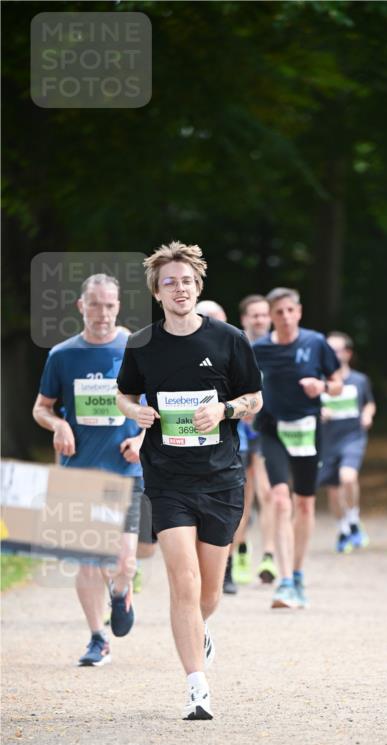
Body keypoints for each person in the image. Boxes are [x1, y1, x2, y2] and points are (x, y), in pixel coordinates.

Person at [116, 241, 263, 720]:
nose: (179, 289)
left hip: (220, 478)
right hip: (167, 478)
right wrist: (135, 411)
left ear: (198, 287)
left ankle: (199, 630)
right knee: (183, 581)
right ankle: (196, 687)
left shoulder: (229, 339)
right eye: (169, 283)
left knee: (208, 595)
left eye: (186, 281)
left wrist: (224, 409)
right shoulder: (142, 343)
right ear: (157, 293)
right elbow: (124, 395)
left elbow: (253, 399)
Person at [32, 274, 145, 666]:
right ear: (81, 306)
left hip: (124, 470)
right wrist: (59, 424)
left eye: (110, 305)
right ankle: (97, 637)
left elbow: (156, 404)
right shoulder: (62, 355)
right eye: (95, 304)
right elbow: (41, 407)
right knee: (86, 559)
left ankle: (121, 591)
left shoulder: (134, 347)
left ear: (119, 307)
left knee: (123, 560)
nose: (103, 313)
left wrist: (142, 441)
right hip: (78, 470)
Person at [252, 287, 342, 609]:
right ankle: (285, 580)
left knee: (304, 504)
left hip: (307, 429)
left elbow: (338, 382)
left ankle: (299, 574)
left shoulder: (315, 343)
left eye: (291, 310)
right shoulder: (259, 349)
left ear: (299, 312)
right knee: (280, 499)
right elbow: (245, 386)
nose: (286, 317)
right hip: (273, 429)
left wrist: (323, 387)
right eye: (279, 312)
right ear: (272, 317)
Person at [318, 332, 376, 552]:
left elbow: (370, 403)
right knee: (333, 491)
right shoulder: (320, 380)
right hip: (327, 441)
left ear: (348, 353)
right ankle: (344, 529)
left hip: (352, 437)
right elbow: (309, 406)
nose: (332, 353)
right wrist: (319, 411)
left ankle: (353, 519)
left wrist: (368, 415)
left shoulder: (359, 380)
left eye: (337, 349)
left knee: (348, 477)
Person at [233, 294, 277, 586]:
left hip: (269, 430)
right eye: (254, 315)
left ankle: (270, 555)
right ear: (244, 319)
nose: (260, 320)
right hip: (239, 430)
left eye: (264, 315)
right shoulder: (234, 345)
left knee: (268, 491)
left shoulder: (279, 348)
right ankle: (241, 550)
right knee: (244, 494)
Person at [196, 298, 237, 594]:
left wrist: (225, 409)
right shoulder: (165, 351)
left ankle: (230, 562)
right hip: (175, 465)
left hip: (230, 451)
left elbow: (254, 397)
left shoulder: (233, 346)